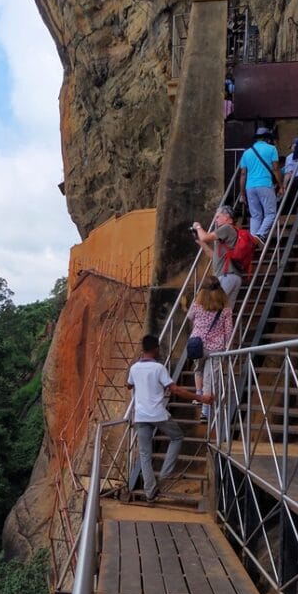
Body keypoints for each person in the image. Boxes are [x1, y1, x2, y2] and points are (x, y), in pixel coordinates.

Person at [127, 335, 212, 501]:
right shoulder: (159, 368)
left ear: (143, 349)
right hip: (158, 414)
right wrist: (201, 398)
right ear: (155, 348)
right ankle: (166, 473)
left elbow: (129, 384)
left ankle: (150, 491)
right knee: (177, 436)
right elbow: (176, 390)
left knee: (145, 454)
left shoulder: (134, 368)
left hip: (141, 416)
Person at [187, 278, 233, 423]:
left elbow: (189, 317)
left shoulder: (197, 305)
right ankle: (205, 413)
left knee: (198, 369)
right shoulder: (225, 310)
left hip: (198, 345)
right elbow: (229, 331)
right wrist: (228, 347)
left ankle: (198, 394)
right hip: (216, 349)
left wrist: (199, 326)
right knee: (210, 379)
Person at [192, 205, 243, 309]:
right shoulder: (231, 232)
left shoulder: (227, 228)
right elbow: (212, 255)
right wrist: (199, 241)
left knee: (212, 307)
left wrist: (198, 226)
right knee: (225, 312)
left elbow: (205, 237)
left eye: (218, 216)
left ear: (227, 216)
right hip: (234, 276)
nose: (215, 220)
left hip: (226, 275)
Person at [238, 127, 283, 244]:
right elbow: (276, 168)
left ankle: (252, 241)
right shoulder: (272, 149)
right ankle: (260, 234)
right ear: (268, 139)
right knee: (271, 213)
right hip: (265, 184)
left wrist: (242, 194)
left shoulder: (246, 153)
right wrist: (281, 185)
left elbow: (243, 174)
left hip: (250, 187)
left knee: (255, 215)